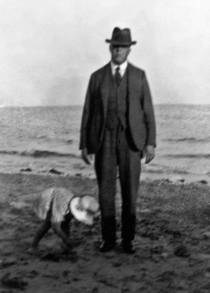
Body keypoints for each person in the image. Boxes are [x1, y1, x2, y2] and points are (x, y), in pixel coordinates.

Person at [79, 27, 156, 254]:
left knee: (130, 193)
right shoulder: (97, 77)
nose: (118, 50)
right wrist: (84, 143)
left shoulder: (139, 76)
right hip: (104, 141)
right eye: (114, 46)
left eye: (122, 47)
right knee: (105, 193)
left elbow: (148, 111)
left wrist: (150, 142)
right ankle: (108, 240)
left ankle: (128, 241)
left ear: (129, 50)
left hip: (132, 142)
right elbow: (87, 112)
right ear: (110, 48)